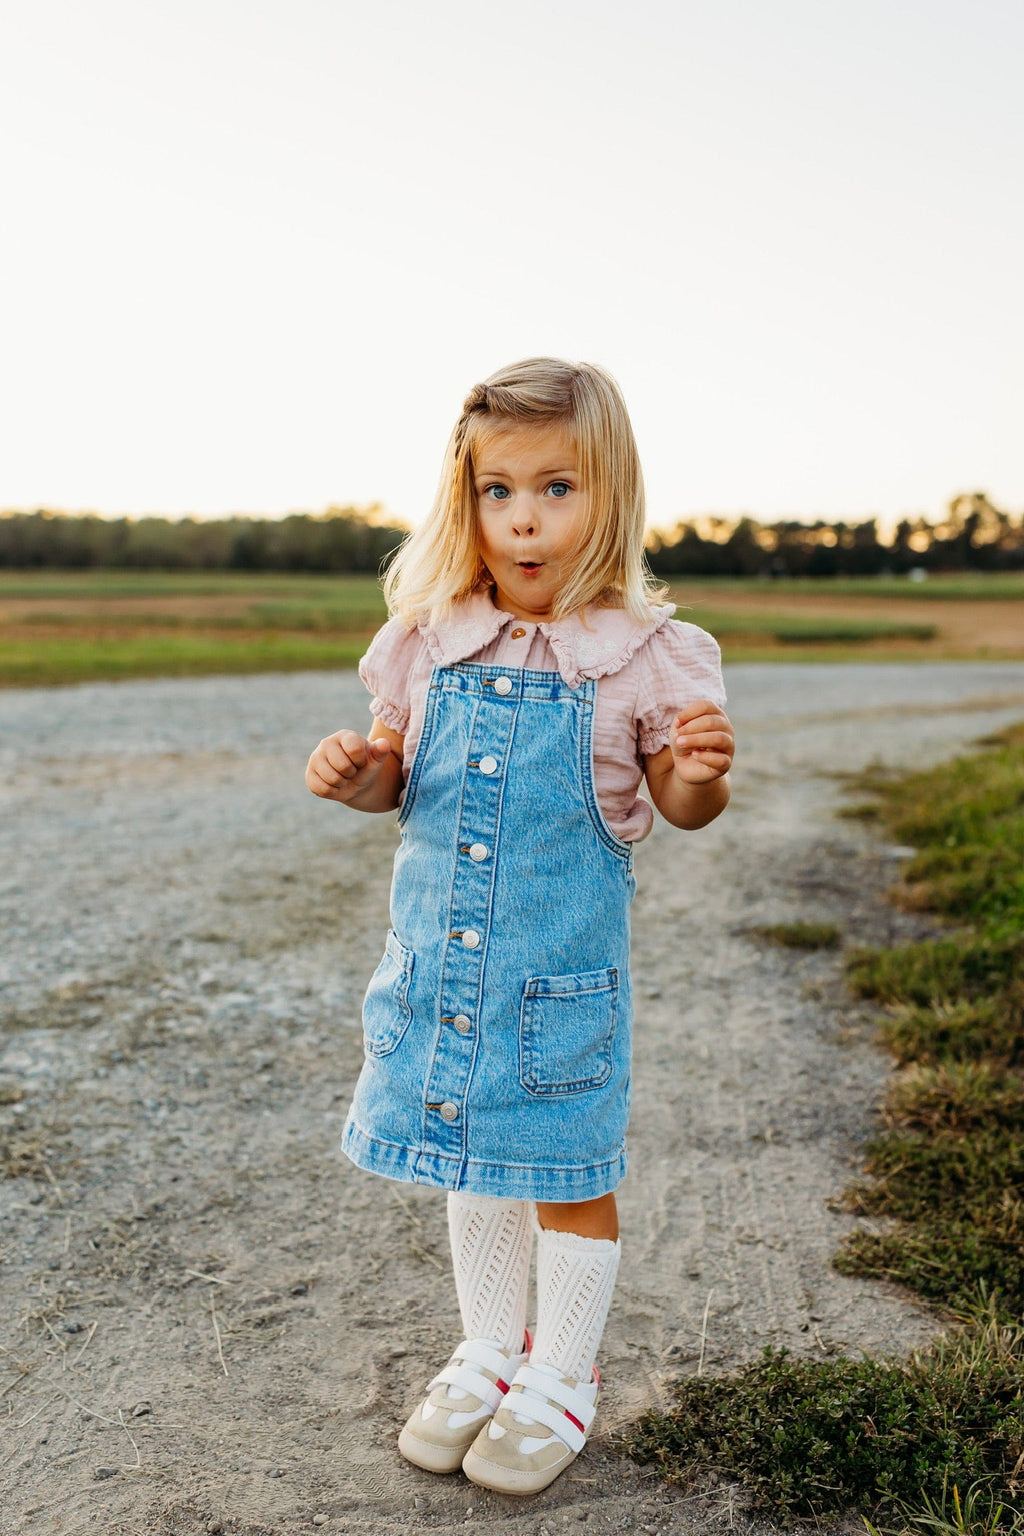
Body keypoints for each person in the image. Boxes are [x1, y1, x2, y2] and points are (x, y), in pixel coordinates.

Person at [305, 357, 734, 1496]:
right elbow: (394, 781)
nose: (525, 518)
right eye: (499, 491)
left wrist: (696, 773)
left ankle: (564, 1375)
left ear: (611, 497)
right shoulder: (429, 637)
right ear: (467, 500)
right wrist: (354, 773)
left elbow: (680, 807)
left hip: (556, 991)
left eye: (557, 487)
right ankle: (490, 1349)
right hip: (443, 974)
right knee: (468, 1158)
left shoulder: (643, 656)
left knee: (563, 1170)